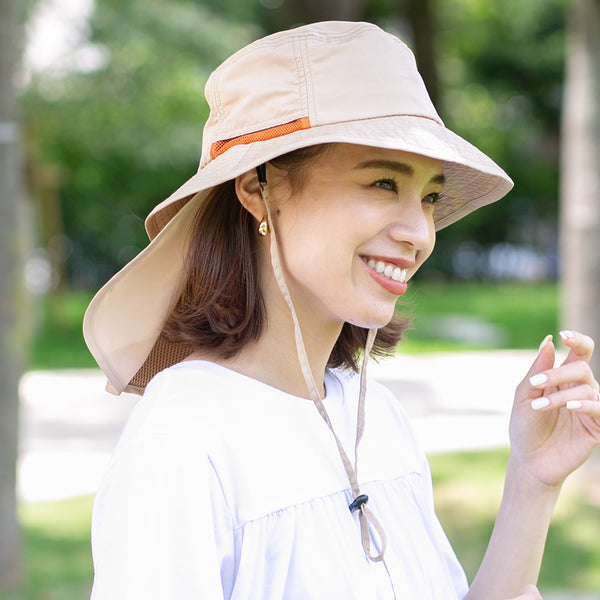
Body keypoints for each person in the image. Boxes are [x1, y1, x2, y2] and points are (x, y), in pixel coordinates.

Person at [83, 21, 600, 600]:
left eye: (429, 196)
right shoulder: (185, 436)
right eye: (383, 182)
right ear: (259, 188)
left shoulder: (373, 413)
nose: (419, 234)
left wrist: (533, 476)